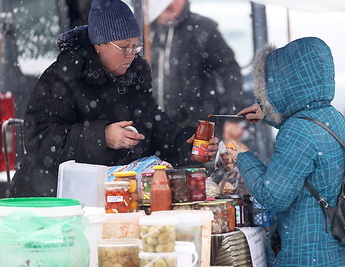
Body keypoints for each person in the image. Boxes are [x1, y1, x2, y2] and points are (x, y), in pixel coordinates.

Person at [10, 0, 218, 197]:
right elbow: (39, 139)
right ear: (99, 44)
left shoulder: (135, 77)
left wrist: (187, 145)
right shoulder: (64, 76)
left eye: (135, 46)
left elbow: (154, 128)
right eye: (124, 47)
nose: (131, 54)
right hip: (54, 197)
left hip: (108, 196)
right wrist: (101, 137)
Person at [226, 37, 345, 266]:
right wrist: (268, 115)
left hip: (306, 254)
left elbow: (273, 196)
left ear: (284, 82)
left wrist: (242, 157)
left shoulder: (298, 130)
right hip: (337, 249)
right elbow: (309, 139)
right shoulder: (332, 117)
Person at [150, 0, 244, 133]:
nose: (169, 3)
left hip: (197, 129)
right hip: (151, 128)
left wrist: (232, 117)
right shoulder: (139, 30)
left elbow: (230, 72)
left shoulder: (204, 29)